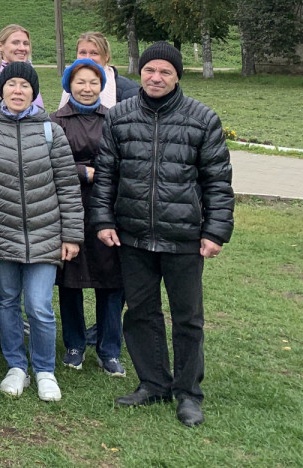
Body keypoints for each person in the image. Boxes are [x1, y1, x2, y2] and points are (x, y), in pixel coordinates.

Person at [91, 43, 234, 428]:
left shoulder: (202, 119)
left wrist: (215, 231)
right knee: (140, 313)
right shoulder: (119, 117)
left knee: (188, 319)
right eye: (150, 70)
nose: (156, 78)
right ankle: (153, 382)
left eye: (165, 72)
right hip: (133, 236)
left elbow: (218, 183)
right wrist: (103, 221)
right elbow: (106, 176)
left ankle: (188, 393)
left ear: (176, 77)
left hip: (184, 237)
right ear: (140, 73)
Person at [0, 61, 82, 403]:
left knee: (39, 305)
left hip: (46, 236)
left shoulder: (51, 132)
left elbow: (68, 187)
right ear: (3, 90)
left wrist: (71, 234)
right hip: (0, 235)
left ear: (33, 92)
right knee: (8, 304)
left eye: (24, 86)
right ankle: (16, 366)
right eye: (11, 85)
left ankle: (44, 370)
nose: (17, 91)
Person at [50, 59, 125, 378]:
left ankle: (110, 350)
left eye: (93, 82)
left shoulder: (114, 119)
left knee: (112, 282)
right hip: (68, 208)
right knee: (71, 281)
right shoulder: (56, 121)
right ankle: (75, 344)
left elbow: (122, 159)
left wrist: (101, 173)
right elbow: (50, 162)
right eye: (80, 81)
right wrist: (82, 171)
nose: (87, 88)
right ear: (69, 85)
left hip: (107, 207)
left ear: (101, 86)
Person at [57, 32, 139, 108]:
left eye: (94, 53)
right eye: (83, 53)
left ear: (106, 56)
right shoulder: (70, 85)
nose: (87, 58)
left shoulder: (128, 90)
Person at [0, 24, 43, 107]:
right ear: (1, 46)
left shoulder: (30, 73)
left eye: (26, 43)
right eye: (15, 43)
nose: (22, 48)